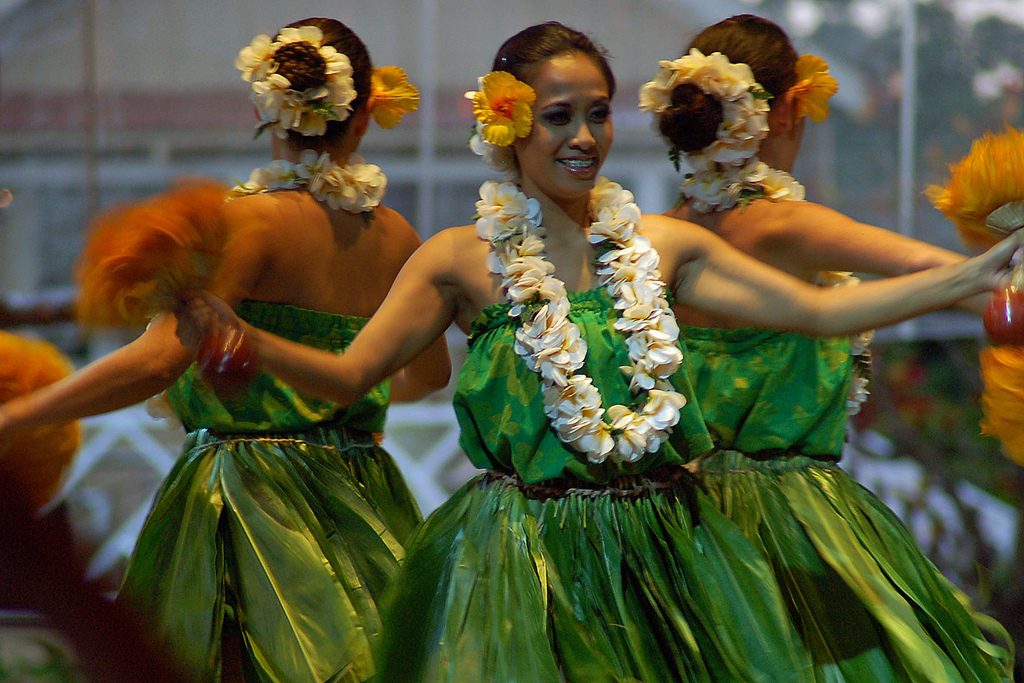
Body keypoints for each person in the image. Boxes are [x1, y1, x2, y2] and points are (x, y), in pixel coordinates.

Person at [177, 22, 1023, 682]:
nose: (584, 137)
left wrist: (960, 283)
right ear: (505, 121)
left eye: (599, 113)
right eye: (558, 117)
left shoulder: (657, 247)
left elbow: (815, 311)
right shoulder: (456, 259)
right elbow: (353, 374)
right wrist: (253, 344)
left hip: (664, 548)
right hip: (527, 559)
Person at [0, 16, 449, 683]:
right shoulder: (395, 233)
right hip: (360, 490)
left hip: (248, 496)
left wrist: (15, 414)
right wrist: (332, 392)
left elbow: (156, 361)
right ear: (363, 117)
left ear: (266, 112)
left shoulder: (250, 221)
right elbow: (427, 375)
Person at [640, 13, 1013, 681]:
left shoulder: (661, 234)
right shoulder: (784, 224)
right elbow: (928, 270)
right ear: (786, 110)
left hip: (673, 515)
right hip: (786, 516)